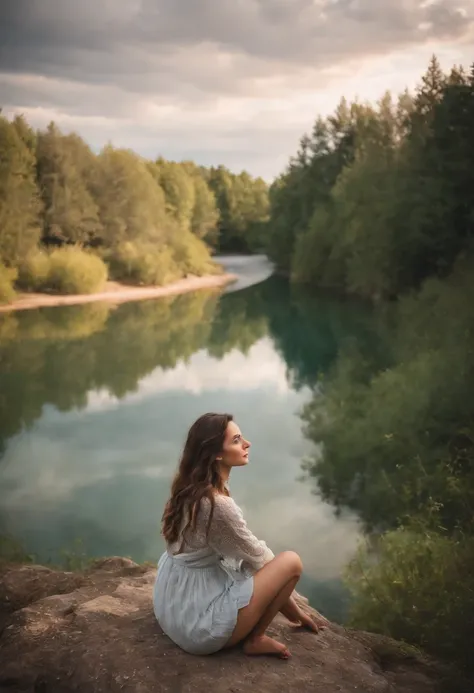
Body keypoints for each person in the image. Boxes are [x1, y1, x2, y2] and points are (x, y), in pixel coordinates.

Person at [153, 412, 326, 658]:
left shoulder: (189, 487)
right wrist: (296, 614)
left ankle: (251, 633)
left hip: (171, 604)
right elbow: (262, 562)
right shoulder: (216, 504)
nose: (247, 444)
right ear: (216, 454)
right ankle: (256, 639)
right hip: (197, 625)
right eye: (236, 440)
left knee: (245, 567)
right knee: (291, 562)